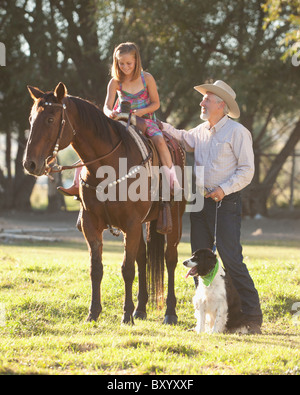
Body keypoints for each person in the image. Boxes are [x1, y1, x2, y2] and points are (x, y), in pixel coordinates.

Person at [162, 80, 263, 334]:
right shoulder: (201, 131)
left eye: (206, 99)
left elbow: (247, 170)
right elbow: (182, 137)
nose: (201, 103)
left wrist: (223, 189)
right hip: (200, 202)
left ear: (222, 105)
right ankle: (203, 318)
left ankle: (252, 316)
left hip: (225, 203)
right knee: (199, 259)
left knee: (231, 259)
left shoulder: (238, 133)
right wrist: (155, 125)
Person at [58, 42, 180, 197]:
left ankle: (172, 181)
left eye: (129, 63)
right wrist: (110, 113)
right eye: (121, 63)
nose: (125, 67)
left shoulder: (147, 78)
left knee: (160, 141)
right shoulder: (115, 82)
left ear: (136, 61)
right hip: (121, 118)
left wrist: (141, 111)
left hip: (145, 119)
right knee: (89, 139)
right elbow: (107, 106)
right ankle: (77, 183)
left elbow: (156, 103)